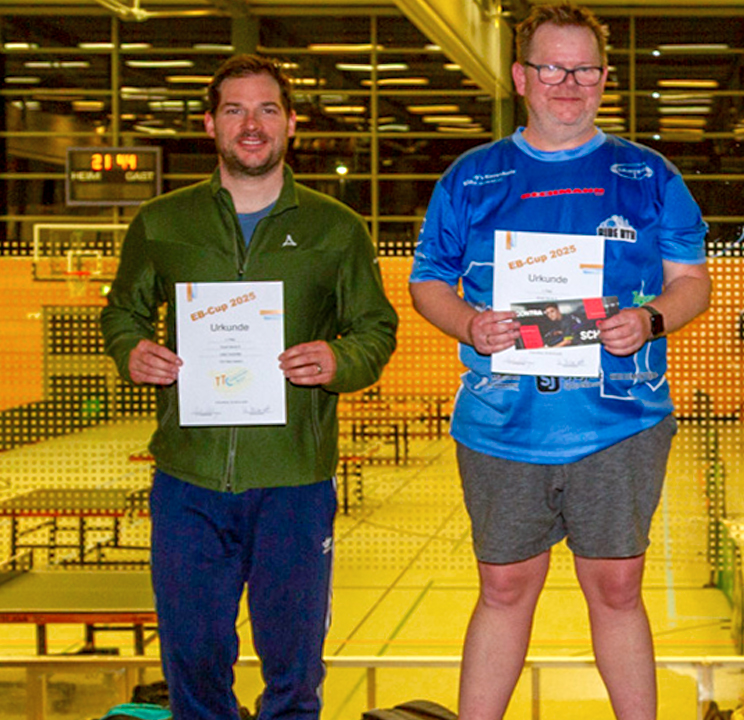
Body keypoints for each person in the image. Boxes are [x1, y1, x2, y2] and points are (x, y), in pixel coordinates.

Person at [407, 4, 711, 718]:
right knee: (504, 589)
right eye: (551, 68)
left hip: (620, 423)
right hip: (502, 426)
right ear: (521, 77)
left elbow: (692, 282)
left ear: (604, 78)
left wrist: (651, 319)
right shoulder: (471, 178)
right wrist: (469, 324)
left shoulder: (650, 175)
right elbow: (427, 282)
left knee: (618, 589)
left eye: (584, 69)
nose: (568, 83)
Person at [100, 55, 398, 720]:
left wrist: (340, 359)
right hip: (189, 482)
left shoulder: (335, 228)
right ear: (210, 124)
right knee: (193, 664)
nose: (252, 124)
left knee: (294, 672)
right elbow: (122, 312)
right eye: (234, 110)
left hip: (294, 483)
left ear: (291, 123)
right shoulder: (163, 221)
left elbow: (375, 329)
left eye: (267, 109)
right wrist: (132, 351)